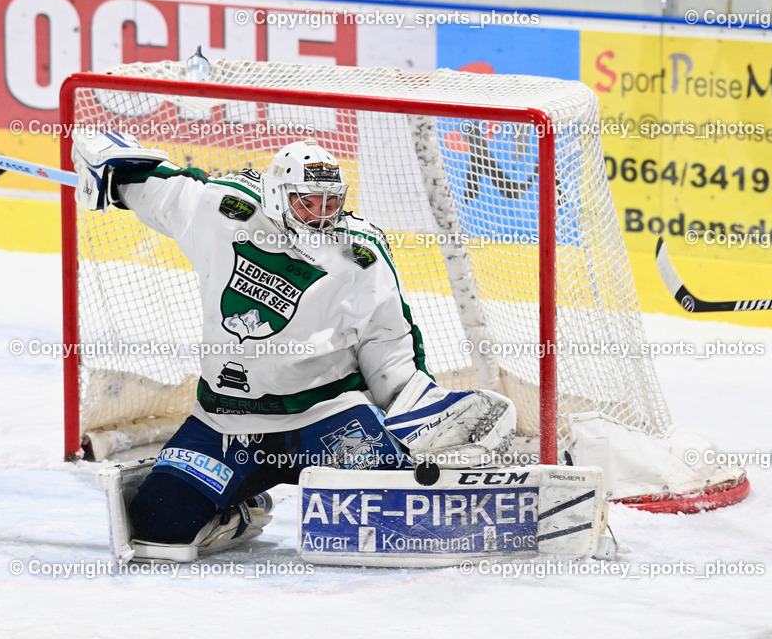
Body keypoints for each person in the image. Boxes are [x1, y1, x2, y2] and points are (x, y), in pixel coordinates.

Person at [73, 132, 516, 562]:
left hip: (327, 419)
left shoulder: (360, 254)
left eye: (330, 203)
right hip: (228, 422)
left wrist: (416, 411)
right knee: (156, 526)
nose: (320, 215)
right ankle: (242, 509)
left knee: (400, 518)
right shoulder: (223, 210)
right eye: (308, 202)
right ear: (277, 195)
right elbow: (160, 190)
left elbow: (387, 345)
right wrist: (114, 171)